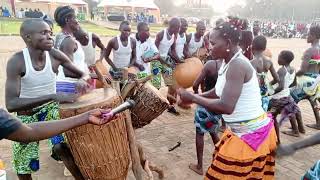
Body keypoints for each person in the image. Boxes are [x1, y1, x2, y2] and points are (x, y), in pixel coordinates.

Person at [178, 18, 277, 179]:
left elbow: (226, 106)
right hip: (244, 132)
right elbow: (218, 92)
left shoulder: (237, 65)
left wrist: (193, 98)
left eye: (213, 43)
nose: (209, 47)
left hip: (250, 135)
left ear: (228, 43)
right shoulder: (227, 61)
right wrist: (195, 96)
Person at [5, 19, 87, 180]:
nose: (50, 36)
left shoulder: (55, 55)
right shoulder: (18, 61)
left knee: (62, 146)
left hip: (50, 110)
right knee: (24, 163)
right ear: (28, 37)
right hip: (26, 115)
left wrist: (83, 79)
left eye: (50, 32)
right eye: (43, 33)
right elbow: (11, 104)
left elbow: (81, 73)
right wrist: (51, 96)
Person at [188, 59, 222, 175]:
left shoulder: (210, 64)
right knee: (213, 131)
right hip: (218, 106)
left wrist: (198, 94)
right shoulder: (230, 65)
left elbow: (195, 84)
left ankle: (199, 166)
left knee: (200, 133)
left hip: (205, 105)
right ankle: (223, 160)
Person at [269, 50, 304, 139]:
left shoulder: (281, 70)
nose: (278, 58)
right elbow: (294, 83)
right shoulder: (293, 69)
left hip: (278, 98)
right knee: (290, 110)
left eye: (279, 56)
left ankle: (275, 139)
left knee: (271, 115)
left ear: (284, 60)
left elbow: (280, 87)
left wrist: (269, 93)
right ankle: (296, 131)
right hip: (287, 96)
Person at [154, 17, 181, 115]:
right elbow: (154, 51)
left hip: (165, 60)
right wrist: (162, 62)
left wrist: (179, 60)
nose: (179, 29)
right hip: (156, 61)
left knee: (171, 84)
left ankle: (170, 105)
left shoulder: (174, 36)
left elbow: (173, 50)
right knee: (156, 85)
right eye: (178, 27)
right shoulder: (161, 34)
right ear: (172, 26)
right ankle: (153, 104)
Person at [251, 35, 279, 112]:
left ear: (252, 47)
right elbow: (277, 79)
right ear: (264, 48)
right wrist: (268, 84)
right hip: (265, 92)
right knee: (263, 112)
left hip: (254, 93)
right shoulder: (269, 61)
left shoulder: (251, 63)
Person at [293, 25, 320, 106]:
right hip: (317, 82)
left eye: (308, 34)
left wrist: (293, 75)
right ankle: (318, 119)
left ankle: (294, 115)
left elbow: (302, 71)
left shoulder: (309, 51)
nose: (306, 36)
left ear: (314, 36)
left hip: (308, 84)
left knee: (289, 96)